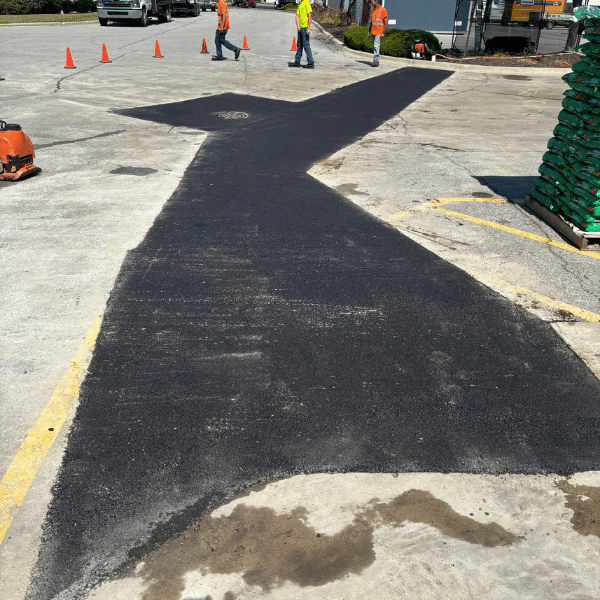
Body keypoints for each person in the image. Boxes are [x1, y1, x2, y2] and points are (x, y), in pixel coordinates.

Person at [288, 0, 314, 69]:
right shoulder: (300, 4)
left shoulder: (306, 3)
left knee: (306, 44)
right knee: (299, 44)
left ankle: (311, 62)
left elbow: (309, 15)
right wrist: (297, 26)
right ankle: (297, 61)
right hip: (300, 28)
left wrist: (308, 28)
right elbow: (297, 16)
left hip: (305, 27)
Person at [369, 0, 387, 67]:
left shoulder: (383, 10)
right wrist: (369, 31)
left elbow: (386, 22)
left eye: (372, 1)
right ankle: (375, 60)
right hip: (373, 31)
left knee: (376, 46)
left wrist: (383, 32)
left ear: (376, 1)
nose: (371, 3)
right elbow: (372, 21)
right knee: (374, 46)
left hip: (379, 31)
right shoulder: (373, 10)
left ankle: (376, 61)